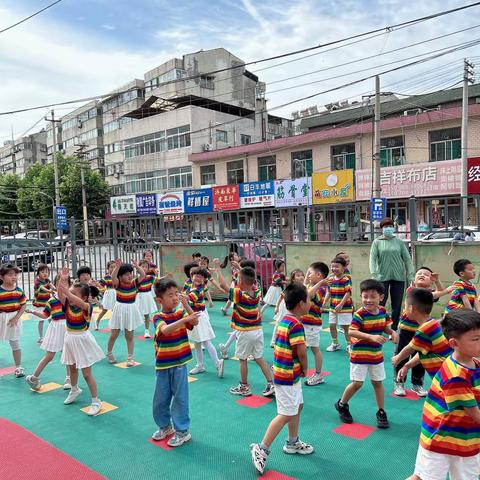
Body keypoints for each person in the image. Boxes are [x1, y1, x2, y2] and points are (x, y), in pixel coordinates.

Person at [409, 309, 480, 480]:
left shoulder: (473, 361)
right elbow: (474, 414)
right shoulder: (456, 376)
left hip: (464, 438)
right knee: (423, 477)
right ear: (454, 343)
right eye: (476, 340)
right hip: (442, 439)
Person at [250, 283, 312, 475]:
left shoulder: (285, 320)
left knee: (297, 406)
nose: (310, 303)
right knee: (286, 413)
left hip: (286, 373)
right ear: (302, 303)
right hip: (287, 375)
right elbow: (301, 352)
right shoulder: (296, 324)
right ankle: (262, 448)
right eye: (309, 300)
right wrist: (305, 368)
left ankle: (292, 442)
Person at [335, 279, 397, 428]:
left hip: (376, 355)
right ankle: (342, 404)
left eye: (373, 296)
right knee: (357, 383)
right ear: (361, 296)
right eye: (365, 296)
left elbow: (386, 327)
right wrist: (371, 337)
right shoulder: (359, 314)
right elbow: (351, 331)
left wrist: (393, 332)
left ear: (381, 297)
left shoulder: (382, 312)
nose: (368, 300)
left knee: (377, 383)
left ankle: (381, 411)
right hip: (360, 355)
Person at [151, 278, 200, 448]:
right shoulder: (157, 317)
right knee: (160, 398)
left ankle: (182, 432)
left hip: (179, 364)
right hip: (163, 365)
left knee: (180, 398)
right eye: (170, 295)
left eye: (176, 294)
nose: (174, 298)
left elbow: (195, 321)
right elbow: (165, 330)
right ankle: (165, 427)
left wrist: (186, 304)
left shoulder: (181, 313)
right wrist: (185, 319)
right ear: (159, 300)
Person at [214, 260, 275, 397]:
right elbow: (249, 278)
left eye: (237, 278)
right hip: (257, 330)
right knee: (259, 358)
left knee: (242, 359)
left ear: (240, 281)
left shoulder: (239, 294)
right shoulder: (256, 291)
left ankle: (244, 386)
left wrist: (218, 268)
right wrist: (240, 268)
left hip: (245, 332)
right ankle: (271, 383)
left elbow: (223, 286)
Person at [393, 267, 453, 397]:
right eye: (419, 273)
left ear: (430, 281)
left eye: (426, 275)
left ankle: (417, 384)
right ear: (413, 279)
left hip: (422, 331)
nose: (422, 275)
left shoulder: (429, 295)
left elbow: (437, 292)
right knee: (402, 356)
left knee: (421, 356)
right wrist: (446, 291)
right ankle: (399, 383)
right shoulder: (411, 291)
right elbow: (437, 293)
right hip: (406, 329)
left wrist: (437, 281)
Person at [58, 266, 104, 415]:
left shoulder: (87, 307)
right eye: (70, 294)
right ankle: (74, 389)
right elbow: (61, 294)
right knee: (71, 367)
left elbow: (72, 298)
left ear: (83, 297)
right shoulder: (67, 306)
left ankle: (96, 400)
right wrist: (63, 280)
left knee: (86, 373)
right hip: (69, 339)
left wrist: (67, 292)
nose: (70, 297)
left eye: (73, 294)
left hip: (82, 340)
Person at [26, 275, 72, 391]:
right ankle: (34, 377)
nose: (62, 285)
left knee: (68, 354)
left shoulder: (71, 299)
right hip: (55, 328)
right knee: (49, 356)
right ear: (55, 285)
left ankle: (68, 378)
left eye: (65, 283)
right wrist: (32, 311)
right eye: (59, 283)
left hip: (67, 328)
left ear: (69, 285)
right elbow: (45, 315)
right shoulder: (51, 301)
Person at [369, 217, 414, 330]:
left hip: (398, 277)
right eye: (385, 227)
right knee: (380, 303)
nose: (388, 228)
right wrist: (374, 274)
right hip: (381, 277)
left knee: (397, 305)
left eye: (390, 226)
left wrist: (410, 275)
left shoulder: (398, 242)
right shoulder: (377, 242)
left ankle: (393, 328)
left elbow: (407, 259)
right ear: (381, 229)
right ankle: (379, 325)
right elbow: (372, 259)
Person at [183, 267, 224, 378]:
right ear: (191, 276)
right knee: (197, 342)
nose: (198, 277)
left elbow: (188, 297)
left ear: (203, 280)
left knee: (205, 341)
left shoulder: (198, 289)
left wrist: (176, 296)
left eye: (201, 277)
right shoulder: (190, 285)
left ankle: (217, 362)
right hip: (194, 316)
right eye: (196, 275)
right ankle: (200, 365)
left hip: (198, 317)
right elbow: (185, 294)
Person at [107, 259, 145, 366]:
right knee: (114, 334)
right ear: (120, 277)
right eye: (126, 274)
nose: (130, 276)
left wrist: (137, 266)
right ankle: (109, 353)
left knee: (129, 335)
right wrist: (117, 267)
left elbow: (143, 275)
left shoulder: (134, 283)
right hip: (119, 310)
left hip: (131, 310)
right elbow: (112, 277)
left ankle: (130, 358)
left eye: (130, 274)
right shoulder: (118, 284)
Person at [302, 262, 331, 386]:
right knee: (300, 347)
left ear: (318, 275)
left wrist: (321, 282)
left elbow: (308, 295)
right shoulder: (310, 285)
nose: (308, 275)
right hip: (304, 323)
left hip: (312, 324)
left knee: (315, 349)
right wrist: (309, 271)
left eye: (311, 273)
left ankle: (318, 374)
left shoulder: (321, 289)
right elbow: (303, 288)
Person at [0, 265, 27, 378]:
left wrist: (16, 318)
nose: (14, 277)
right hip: (1, 318)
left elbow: (24, 305)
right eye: (10, 274)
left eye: (15, 274)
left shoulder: (18, 291)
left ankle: (18, 367)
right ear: (2, 277)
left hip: (14, 319)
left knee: (15, 343)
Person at [325, 256, 353, 352]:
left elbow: (348, 292)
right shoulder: (331, 279)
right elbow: (329, 292)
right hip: (333, 307)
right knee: (332, 325)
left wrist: (341, 304)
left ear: (343, 268)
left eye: (337, 266)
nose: (334, 269)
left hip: (345, 308)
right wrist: (324, 301)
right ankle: (335, 343)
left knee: (346, 327)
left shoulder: (346, 279)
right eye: (332, 266)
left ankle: (349, 344)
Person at [271, 269, 305, 347]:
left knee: (296, 323)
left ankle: (297, 341)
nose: (301, 277)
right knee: (279, 323)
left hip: (294, 308)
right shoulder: (290, 287)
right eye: (298, 275)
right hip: (285, 307)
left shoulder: (303, 287)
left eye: (302, 275)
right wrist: (277, 306)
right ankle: (273, 341)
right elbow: (281, 297)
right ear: (293, 279)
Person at [137, 260, 158, 338]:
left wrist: (165, 277)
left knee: (146, 314)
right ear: (138, 268)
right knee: (135, 313)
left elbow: (158, 280)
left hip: (147, 296)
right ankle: (128, 327)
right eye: (142, 266)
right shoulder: (136, 279)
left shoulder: (150, 277)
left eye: (146, 267)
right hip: (138, 297)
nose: (144, 268)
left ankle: (146, 331)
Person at [32, 264, 52, 344]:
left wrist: (54, 288)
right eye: (42, 272)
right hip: (39, 304)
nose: (45, 273)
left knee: (51, 320)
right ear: (38, 273)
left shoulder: (48, 281)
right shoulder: (37, 281)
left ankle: (53, 334)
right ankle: (41, 337)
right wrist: (48, 291)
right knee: (41, 320)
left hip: (47, 304)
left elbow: (51, 285)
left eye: (47, 272)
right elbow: (41, 287)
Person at [95, 261, 116, 330]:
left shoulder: (118, 276)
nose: (113, 268)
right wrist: (96, 284)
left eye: (114, 267)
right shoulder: (106, 277)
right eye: (111, 267)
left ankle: (116, 324)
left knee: (116, 310)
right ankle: (97, 322)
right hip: (109, 294)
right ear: (108, 268)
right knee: (104, 310)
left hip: (116, 294)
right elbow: (101, 286)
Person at [220, 252, 240, 316]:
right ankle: (226, 309)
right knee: (232, 297)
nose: (238, 256)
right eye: (236, 255)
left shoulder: (236, 264)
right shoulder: (235, 265)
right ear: (232, 258)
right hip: (236, 283)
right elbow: (236, 275)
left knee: (232, 297)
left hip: (236, 283)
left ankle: (225, 309)